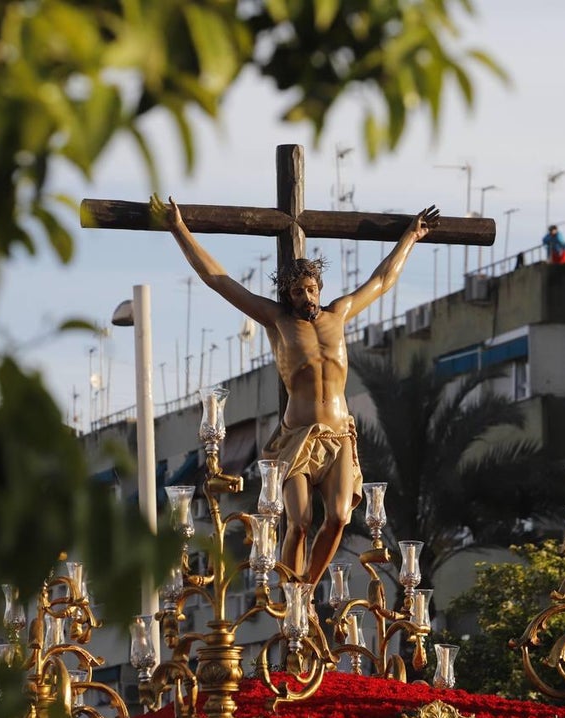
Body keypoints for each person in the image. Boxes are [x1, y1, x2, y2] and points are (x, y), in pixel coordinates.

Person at [151, 194, 440, 584]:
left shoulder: (339, 313)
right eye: (297, 292)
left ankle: (305, 589)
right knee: (299, 522)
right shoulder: (276, 322)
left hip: (339, 435)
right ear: (287, 296)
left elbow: (383, 279)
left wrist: (410, 237)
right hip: (298, 437)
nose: (306, 297)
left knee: (338, 518)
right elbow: (218, 280)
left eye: (310, 289)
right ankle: (289, 591)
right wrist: (179, 228)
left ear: (319, 287)